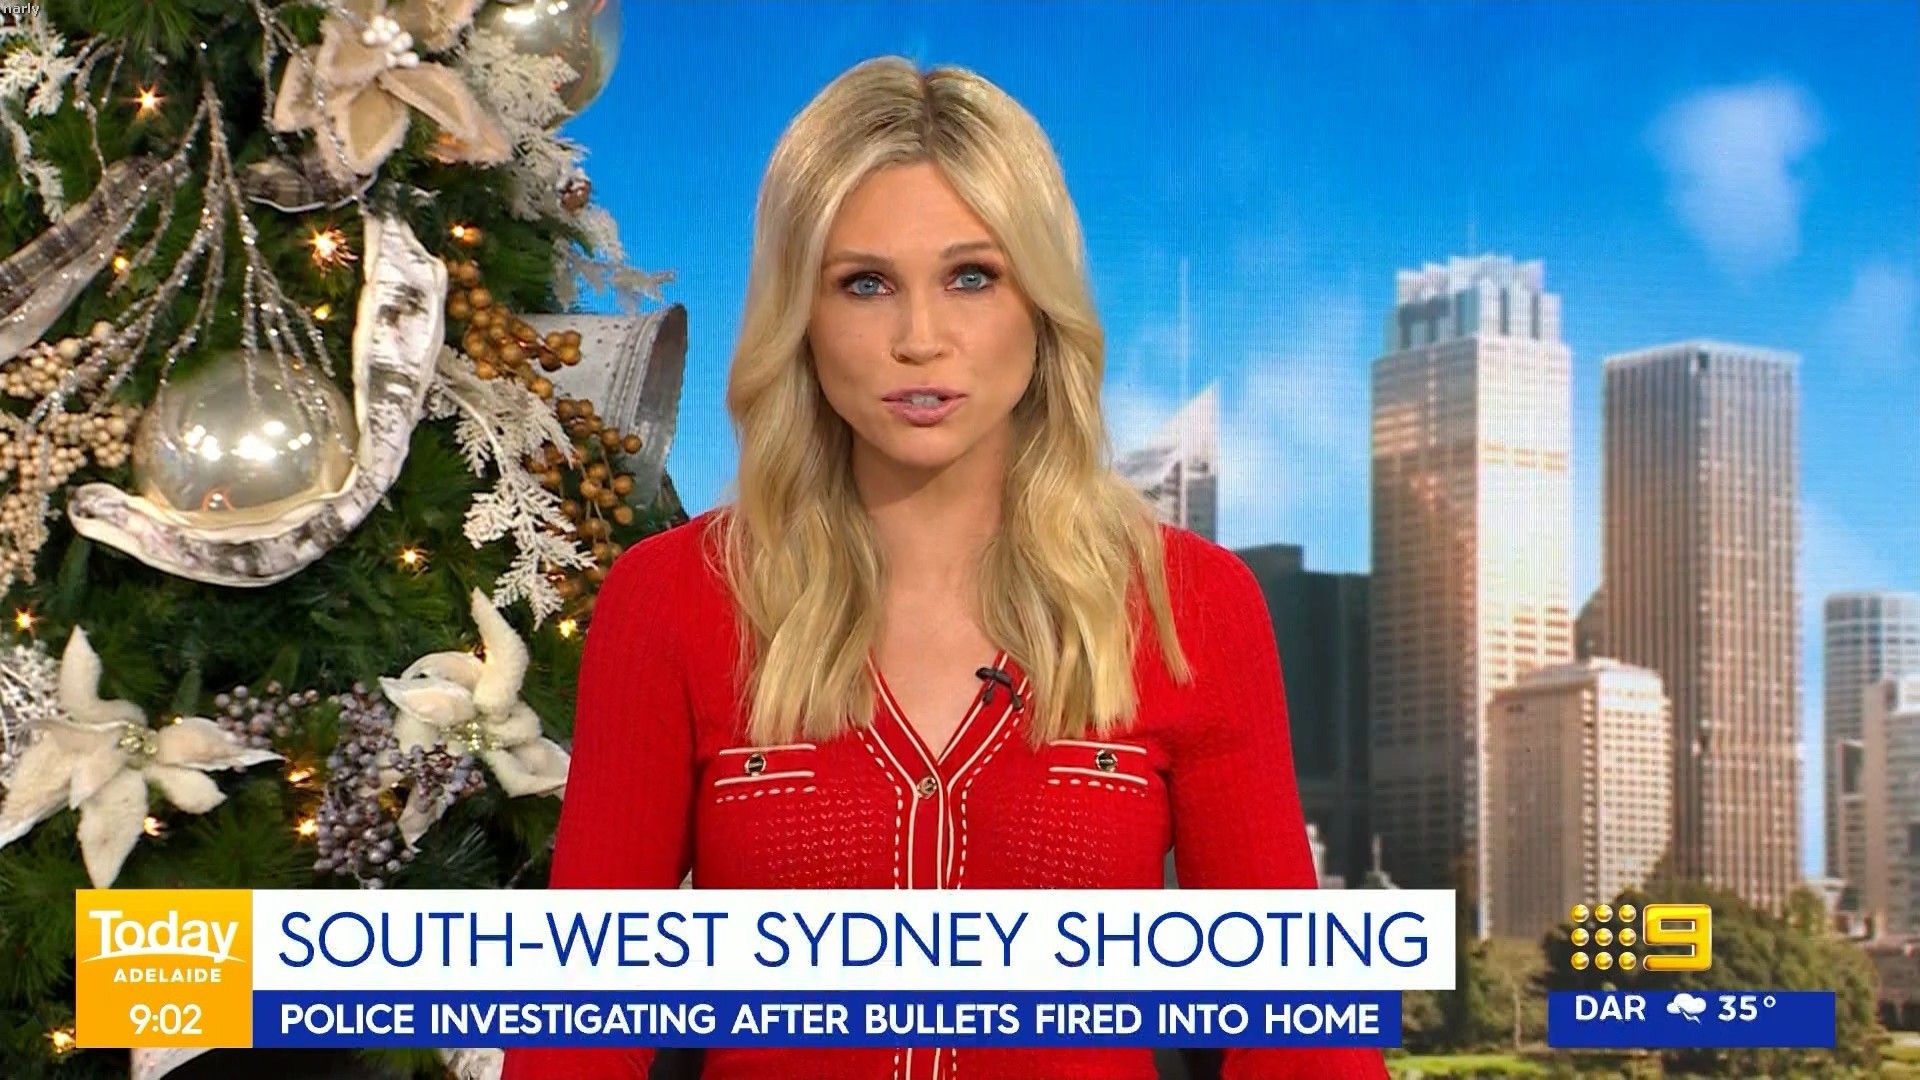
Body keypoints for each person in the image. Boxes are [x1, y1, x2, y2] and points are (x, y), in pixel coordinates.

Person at [502, 55, 1388, 1080]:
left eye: (972, 277)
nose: (920, 339)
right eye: (865, 284)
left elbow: (1300, 1042)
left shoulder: (1189, 601)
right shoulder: (673, 599)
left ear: (1039, 304)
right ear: (802, 315)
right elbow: (574, 1035)